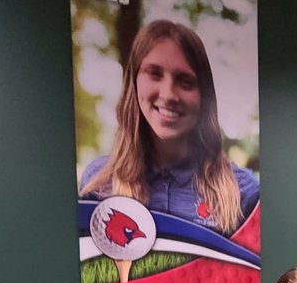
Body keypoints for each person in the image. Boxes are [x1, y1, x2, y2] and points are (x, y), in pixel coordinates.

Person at [80, 19, 258, 235]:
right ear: (134, 82)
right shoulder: (98, 184)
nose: (168, 95)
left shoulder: (244, 192)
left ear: (204, 96)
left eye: (185, 81)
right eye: (154, 73)